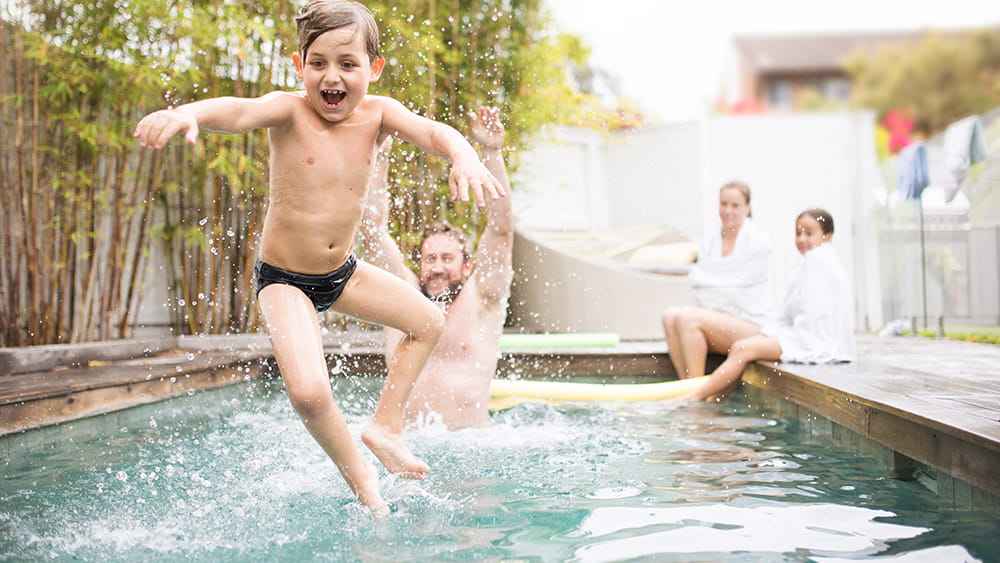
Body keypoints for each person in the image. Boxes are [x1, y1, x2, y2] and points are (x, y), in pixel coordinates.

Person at [133, 0, 506, 515]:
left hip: (342, 273)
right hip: (284, 279)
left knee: (426, 321)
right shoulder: (289, 110)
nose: (332, 77)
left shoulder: (381, 113)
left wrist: (464, 153)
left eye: (347, 64)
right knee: (310, 393)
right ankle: (362, 482)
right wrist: (187, 114)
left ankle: (385, 426)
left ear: (373, 69)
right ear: (299, 65)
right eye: (319, 63)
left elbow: (433, 132)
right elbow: (239, 110)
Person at [359, 106, 513, 430]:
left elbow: (500, 229)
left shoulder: (484, 298)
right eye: (430, 259)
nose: (438, 268)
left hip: (471, 451)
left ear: (468, 265)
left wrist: (491, 151)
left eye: (447, 259)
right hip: (409, 448)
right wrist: (379, 148)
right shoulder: (403, 296)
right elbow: (372, 228)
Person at [680, 208, 856, 402]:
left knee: (742, 348)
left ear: (827, 236)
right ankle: (712, 400)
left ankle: (694, 397)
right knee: (743, 347)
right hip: (815, 336)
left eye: (809, 233)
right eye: (798, 233)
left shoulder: (818, 260)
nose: (802, 239)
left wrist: (780, 332)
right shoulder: (822, 261)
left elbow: (813, 315)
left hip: (815, 340)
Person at [661, 181, 772, 379]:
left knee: (688, 317)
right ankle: (687, 384)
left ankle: (696, 395)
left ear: (748, 208)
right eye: (724, 204)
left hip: (751, 323)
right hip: (718, 318)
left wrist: (711, 283)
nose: (728, 211)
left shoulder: (758, 242)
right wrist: (715, 285)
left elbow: (735, 289)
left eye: (735, 205)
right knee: (669, 316)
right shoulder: (710, 241)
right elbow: (699, 284)